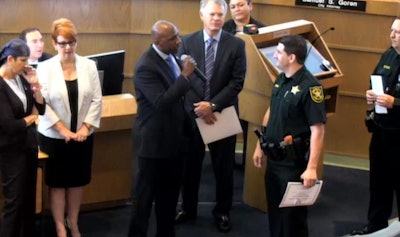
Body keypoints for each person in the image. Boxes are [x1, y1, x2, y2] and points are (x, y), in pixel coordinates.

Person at [175, 0, 246, 233]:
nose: (216, 18)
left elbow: (237, 82)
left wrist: (212, 105)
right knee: (189, 166)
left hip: (222, 113)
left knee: (223, 167)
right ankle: (188, 208)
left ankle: (223, 211)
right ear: (201, 15)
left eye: (220, 14)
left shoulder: (236, 44)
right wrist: (201, 106)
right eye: (212, 14)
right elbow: (183, 76)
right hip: (192, 111)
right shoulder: (186, 41)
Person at [126, 20, 196, 237]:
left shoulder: (172, 57)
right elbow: (161, 101)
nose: (179, 41)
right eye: (173, 38)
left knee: (169, 199)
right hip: (153, 146)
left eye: (178, 36)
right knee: (144, 201)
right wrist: (185, 76)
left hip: (175, 142)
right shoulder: (146, 66)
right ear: (157, 41)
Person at [252, 35, 326, 237]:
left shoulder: (311, 88)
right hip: (274, 160)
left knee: (292, 220)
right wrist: (260, 145)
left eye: (278, 52)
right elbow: (271, 110)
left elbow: (318, 130)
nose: (274, 55)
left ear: (291, 57)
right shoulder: (281, 78)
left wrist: (311, 168)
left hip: (292, 165)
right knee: (275, 214)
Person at [36, 18, 102, 237]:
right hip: (55, 137)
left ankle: (73, 222)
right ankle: (59, 226)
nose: (68, 48)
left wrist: (85, 128)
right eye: (63, 43)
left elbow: (96, 100)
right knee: (58, 184)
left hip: (83, 136)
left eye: (72, 42)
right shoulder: (44, 68)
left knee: (77, 182)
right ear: (54, 44)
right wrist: (64, 131)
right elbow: (42, 104)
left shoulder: (89, 65)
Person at [351, 17, 400, 236]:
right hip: (381, 130)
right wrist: (371, 93)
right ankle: (376, 227)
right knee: (379, 183)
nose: (392, 35)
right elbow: (375, 80)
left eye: (397, 32)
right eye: (392, 30)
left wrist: (395, 103)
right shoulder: (388, 54)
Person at [0, 38, 45, 237]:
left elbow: (41, 108)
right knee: (15, 201)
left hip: (28, 146)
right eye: (23, 60)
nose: (27, 65)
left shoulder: (22, 77)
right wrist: (31, 117)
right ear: (10, 59)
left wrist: (35, 85)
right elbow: (11, 126)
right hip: (10, 151)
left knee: (29, 199)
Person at [223, 0, 266, 166]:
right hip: (228, 88)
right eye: (233, 7)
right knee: (226, 133)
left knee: (251, 129)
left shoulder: (262, 29)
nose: (237, 9)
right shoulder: (223, 29)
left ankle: (249, 164)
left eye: (240, 5)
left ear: (250, 6)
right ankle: (226, 164)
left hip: (254, 89)